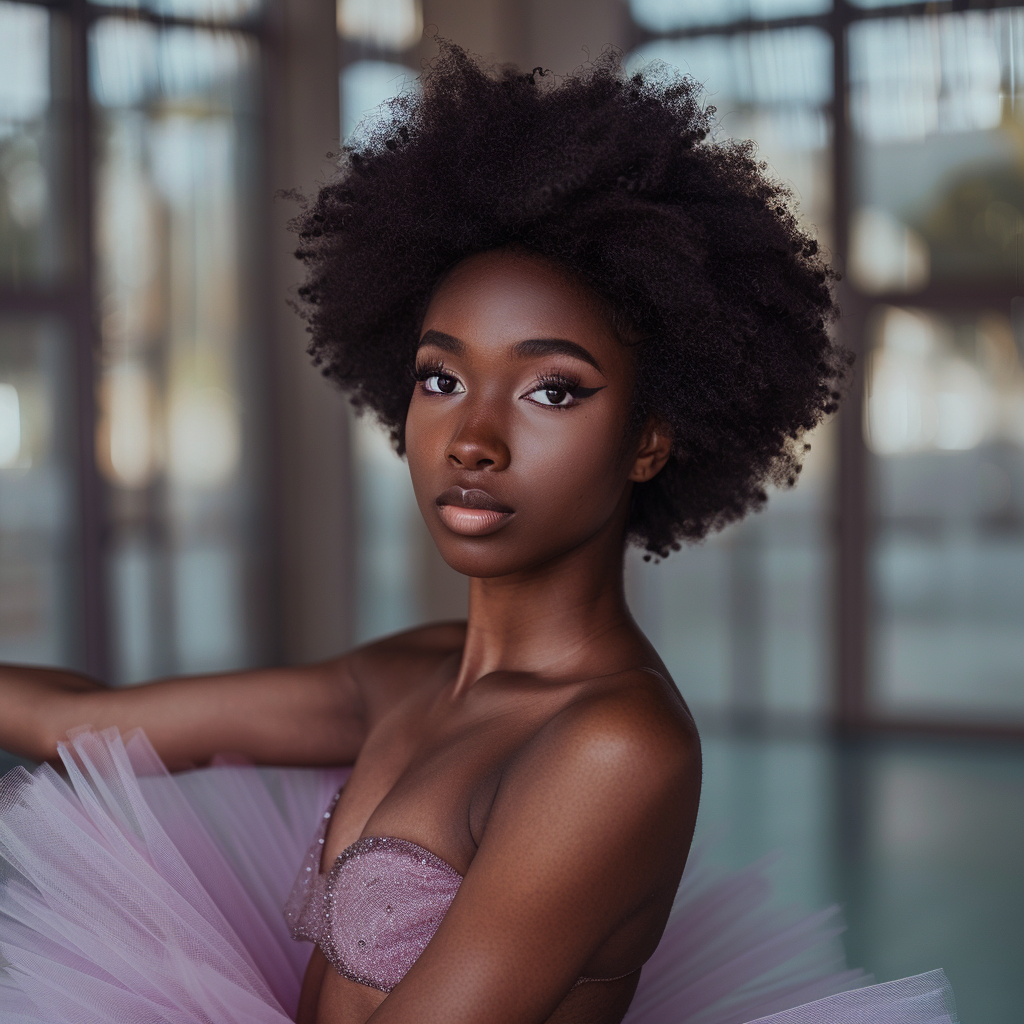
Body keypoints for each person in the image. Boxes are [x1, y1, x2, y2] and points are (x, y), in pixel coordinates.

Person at [0, 42, 957, 1024]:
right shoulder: (417, 672)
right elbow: (81, 726)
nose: (473, 439)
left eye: (551, 390)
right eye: (440, 379)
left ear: (650, 438)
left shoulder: (613, 747)